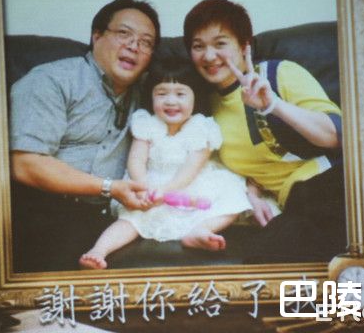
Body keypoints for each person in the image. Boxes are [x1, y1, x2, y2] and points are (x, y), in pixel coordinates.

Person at [183, 0, 346, 263]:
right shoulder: (203, 109)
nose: (209, 56)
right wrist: (252, 195)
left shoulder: (278, 74)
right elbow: (237, 170)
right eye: (198, 46)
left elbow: (337, 136)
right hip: (295, 205)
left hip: (333, 184)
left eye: (220, 44)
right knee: (257, 266)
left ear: (244, 46)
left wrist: (274, 105)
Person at [8, 0, 160, 272]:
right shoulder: (51, 80)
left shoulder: (152, 96)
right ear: (96, 36)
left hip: (110, 219)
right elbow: (25, 164)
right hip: (47, 212)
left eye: (146, 42)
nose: (134, 46)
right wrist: (109, 187)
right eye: (124, 33)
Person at [78, 61, 252, 269]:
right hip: (151, 184)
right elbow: (136, 159)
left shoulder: (202, 127)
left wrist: (168, 189)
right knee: (130, 220)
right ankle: (99, 250)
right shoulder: (146, 124)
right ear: (151, 97)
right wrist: (142, 186)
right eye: (161, 94)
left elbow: (191, 168)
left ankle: (201, 229)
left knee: (232, 199)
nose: (170, 101)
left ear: (195, 97)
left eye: (180, 94)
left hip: (192, 184)